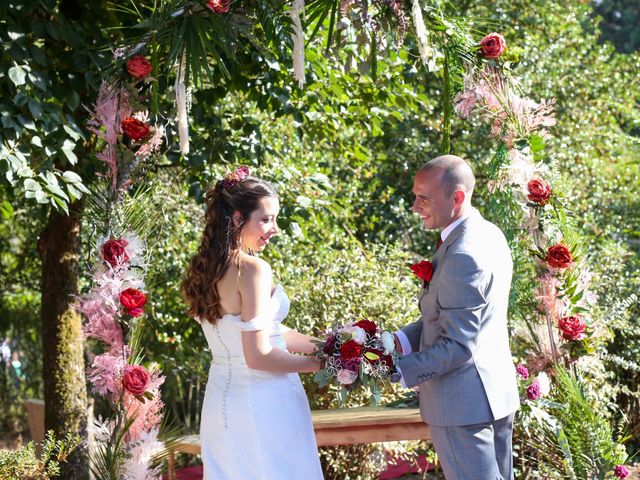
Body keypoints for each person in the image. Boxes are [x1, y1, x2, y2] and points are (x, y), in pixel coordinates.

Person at [181, 167, 323, 480]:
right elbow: (258, 356)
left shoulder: (206, 268)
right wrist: (321, 365)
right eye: (266, 218)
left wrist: (327, 347)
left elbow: (262, 331)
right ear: (236, 218)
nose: (275, 228)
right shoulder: (254, 270)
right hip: (266, 403)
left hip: (222, 404)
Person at [394, 155, 519, 480]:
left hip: (462, 404)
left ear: (458, 197)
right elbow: (451, 315)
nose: (415, 206)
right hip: (492, 395)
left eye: (424, 198)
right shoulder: (489, 233)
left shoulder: (463, 252)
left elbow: (457, 345)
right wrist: (397, 342)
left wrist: (395, 371)